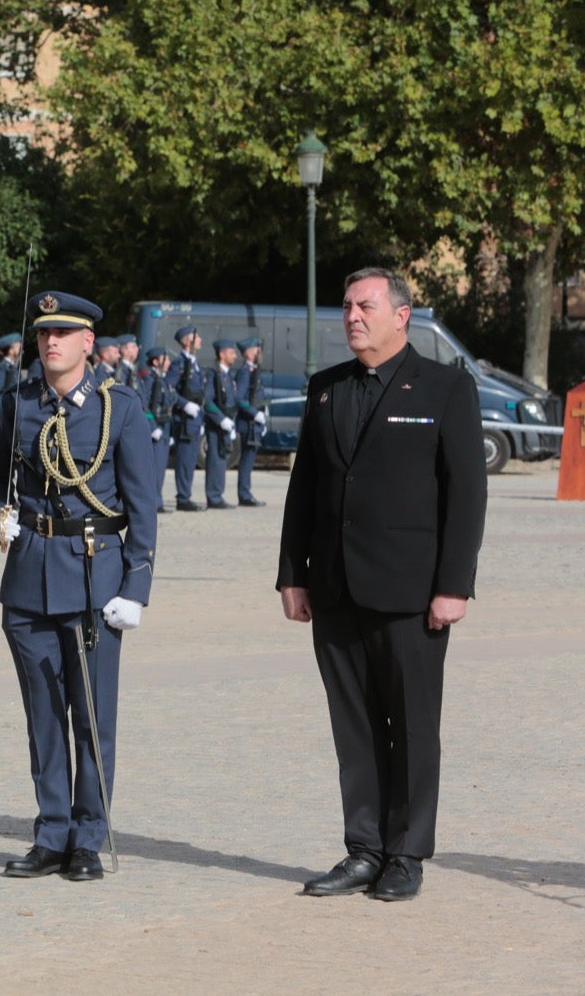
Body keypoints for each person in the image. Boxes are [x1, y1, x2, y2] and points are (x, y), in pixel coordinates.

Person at [277, 267, 486, 903]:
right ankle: (363, 848)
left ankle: (407, 852)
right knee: (355, 727)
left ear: (402, 314)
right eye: (345, 306)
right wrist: (292, 574)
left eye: (365, 305)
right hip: (336, 589)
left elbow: (467, 495)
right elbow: (305, 489)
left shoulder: (447, 388)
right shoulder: (325, 389)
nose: (351, 316)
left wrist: (454, 586)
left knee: (414, 727)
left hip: (412, 594)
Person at [0, 290, 159, 882]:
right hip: (29, 576)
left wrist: (136, 586)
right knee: (44, 716)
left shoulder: (119, 408)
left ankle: (88, 835)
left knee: (90, 715)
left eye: (63, 334)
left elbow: (142, 505)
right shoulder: (17, 405)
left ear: (88, 343)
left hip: (93, 576)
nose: (50, 343)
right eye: (43, 334)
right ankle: (51, 831)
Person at [167, 325, 206, 511]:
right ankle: (183, 497)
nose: (200, 340)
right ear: (186, 341)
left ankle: (186, 495)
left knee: (190, 460)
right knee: (184, 459)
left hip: (194, 418)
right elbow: (169, 389)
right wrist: (184, 405)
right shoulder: (179, 363)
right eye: (195, 337)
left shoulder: (193, 362)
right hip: (184, 419)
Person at [200, 339, 240, 509]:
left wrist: (231, 422)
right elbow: (207, 401)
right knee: (215, 459)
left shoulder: (228, 375)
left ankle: (217, 494)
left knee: (222, 458)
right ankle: (213, 495)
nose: (235, 356)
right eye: (232, 352)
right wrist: (220, 419)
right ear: (222, 354)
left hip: (227, 421)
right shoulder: (213, 374)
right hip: (217, 424)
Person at [137, 347, 175, 511]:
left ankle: (157, 500)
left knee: (160, 468)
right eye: (165, 359)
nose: (168, 363)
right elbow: (146, 404)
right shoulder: (151, 379)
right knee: (154, 469)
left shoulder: (162, 379)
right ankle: (153, 502)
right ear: (155, 362)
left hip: (165, 427)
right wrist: (152, 427)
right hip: (156, 428)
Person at [232, 336, 267, 506]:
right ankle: (244, 494)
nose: (259, 352)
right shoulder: (245, 372)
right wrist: (255, 414)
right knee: (247, 459)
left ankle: (246, 492)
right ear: (247, 353)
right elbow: (239, 398)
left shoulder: (254, 371)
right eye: (256, 349)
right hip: (248, 423)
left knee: (250, 458)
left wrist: (263, 414)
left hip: (255, 423)